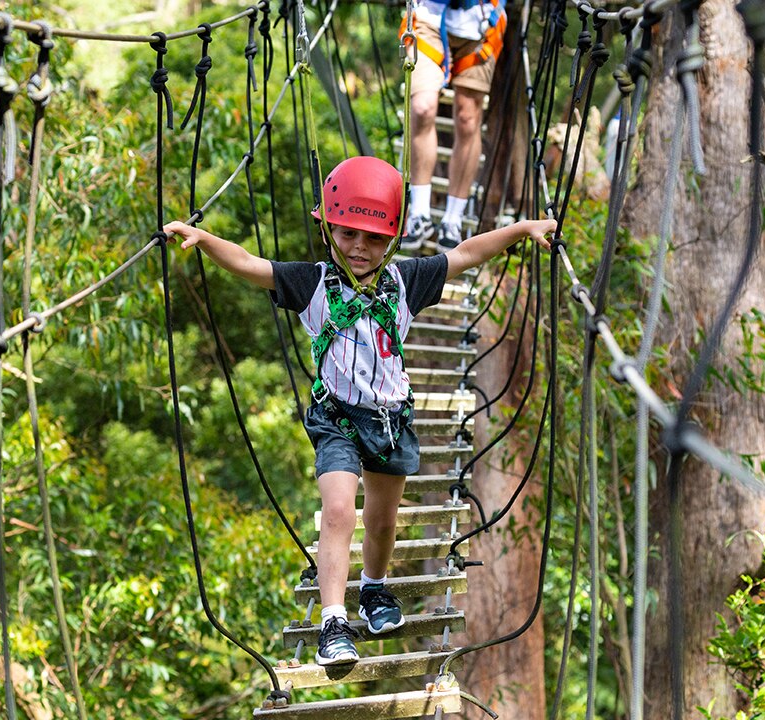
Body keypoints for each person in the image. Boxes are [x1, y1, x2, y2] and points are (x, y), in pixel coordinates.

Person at [162, 155, 554, 666]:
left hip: (390, 422)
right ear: (328, 230)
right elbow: (252, 265)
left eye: (373, 239)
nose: (359, 248)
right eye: (347, 234)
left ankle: (374, 588)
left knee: (383, 523)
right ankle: (333, 622)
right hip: (337, 421)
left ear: (391, 240)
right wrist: (206, 240)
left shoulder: (405, 281)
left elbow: (465, 254)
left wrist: (521, 229)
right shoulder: (312, 282)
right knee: (340, 512)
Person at [399, 0, 508, 250]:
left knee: (468, 119)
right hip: (428, 18)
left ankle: (453, 219)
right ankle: (420, 212)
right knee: (422, 108)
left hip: (481, 22)